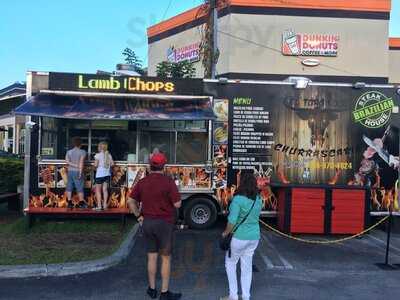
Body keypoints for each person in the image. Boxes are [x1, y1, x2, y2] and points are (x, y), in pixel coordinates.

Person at [127, 152, 182, 300]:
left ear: (150, 165)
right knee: (165, 258)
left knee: (151, 257)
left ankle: (152, 289)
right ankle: (164, 293)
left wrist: (139, 216)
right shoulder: (168, 182)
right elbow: (177, 204)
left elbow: (130, 201)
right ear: (164, 166)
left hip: (148, 223)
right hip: (165, 224)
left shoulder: (143, 182)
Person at [221, 172, 263, 300]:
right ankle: (246, 296)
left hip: (239, 237)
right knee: (247, 267)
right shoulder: (258, 199)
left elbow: (232, 221)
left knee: (231, 264)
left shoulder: (238, 199)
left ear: (242, 184)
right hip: (254, 237)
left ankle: (233, 296)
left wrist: (225, 233)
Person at [65, 137, 87, 209]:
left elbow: (67, 161)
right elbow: (81, 163)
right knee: (79, 187)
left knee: (69, 186)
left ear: (73, 143)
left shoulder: (69, 152)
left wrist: (74, 165)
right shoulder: (83, 152)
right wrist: (80, 172)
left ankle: (69, 202)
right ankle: (81, 203)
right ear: (81, 143)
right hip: (77, 171)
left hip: (70, 171)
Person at [93, 141, 114, 210]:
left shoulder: (97, 155)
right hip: (107, 175)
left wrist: (93, 167)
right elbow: (112, 164)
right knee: (105, 190)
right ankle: (105, 205)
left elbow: (95, 165)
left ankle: (99, 206)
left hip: (99, 175)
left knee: (98, 190)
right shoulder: (109, 155)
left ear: (100, 147)